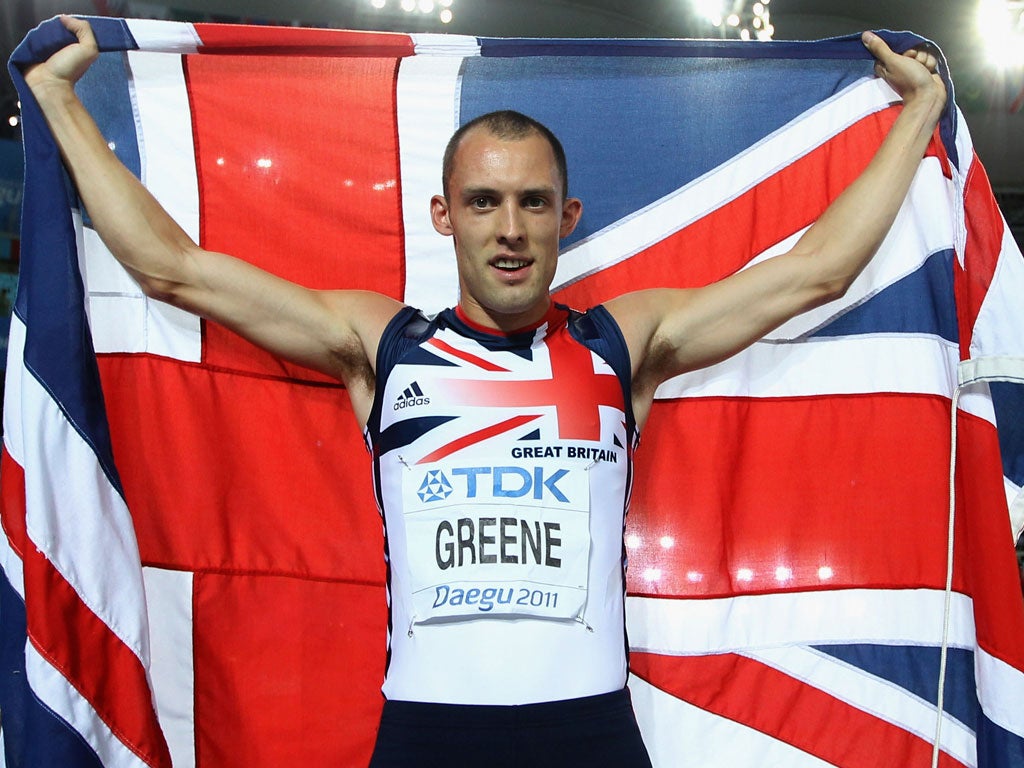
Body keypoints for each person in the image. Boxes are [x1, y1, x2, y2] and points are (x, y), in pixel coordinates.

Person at [24, 15, 946, 768]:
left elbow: (815, 273)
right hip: (430, 736)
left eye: (534, 202)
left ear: (567, 217)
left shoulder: (620, 347)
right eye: (484, 202)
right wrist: (59, 101)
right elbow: (173, 269)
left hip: (588, 734)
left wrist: (917, 114)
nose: (511, 229)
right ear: (445, 215)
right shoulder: (383, 348)